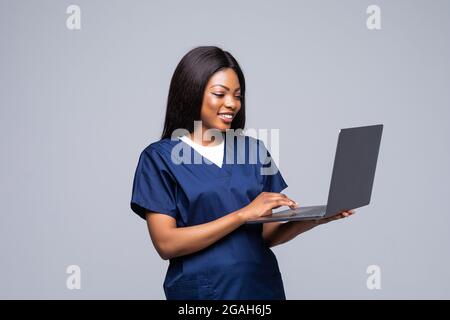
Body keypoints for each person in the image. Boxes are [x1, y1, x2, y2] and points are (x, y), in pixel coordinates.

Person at [130, 46, 355, 300]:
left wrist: (316, 218)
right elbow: (166, 244)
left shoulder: (254, 151)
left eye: (238, 95)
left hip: (260, 289)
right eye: (220, 94)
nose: (232, 104)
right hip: (204, 294)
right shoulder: (159, 158)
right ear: (191, 92)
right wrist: (242, 215)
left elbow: (265, 235)